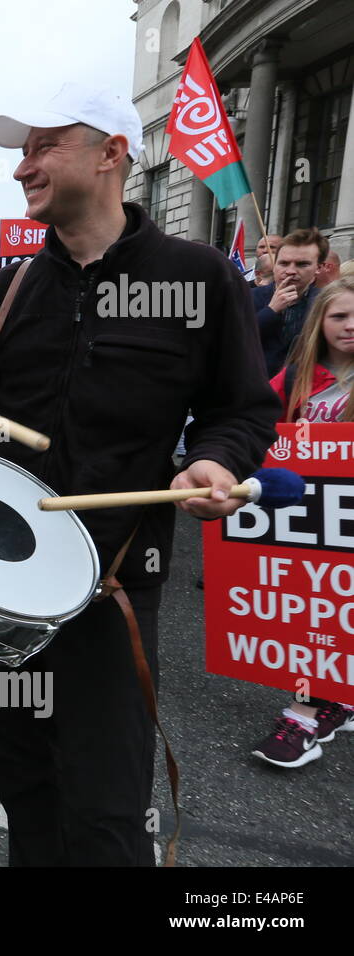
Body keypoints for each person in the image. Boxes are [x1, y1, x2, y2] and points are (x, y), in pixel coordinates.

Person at [0, 81, 278, 866]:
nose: (22, 169)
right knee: (22, 776)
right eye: (20, 153)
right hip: (1, 587)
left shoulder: (201, 277)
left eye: (43, 146)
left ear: (112, 153)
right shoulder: (11, 288)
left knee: (108, 811)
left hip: (111, 591)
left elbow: (244, 410)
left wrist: (214, 461)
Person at [249, 277, 354, 766]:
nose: (350, 326)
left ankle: (330, 700)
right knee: (315, 614)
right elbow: (251, 418)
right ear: (320, 323)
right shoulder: (295, 378)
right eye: (339, 316)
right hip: (308, 520)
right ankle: (303, 714)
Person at [254, 227, 328, 377]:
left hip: (304, 390)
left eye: (302, 264)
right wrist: (271, 311)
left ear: (318, 268)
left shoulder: (326, 302)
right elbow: (236, 341)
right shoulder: (248, 297)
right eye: (284, 263)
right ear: (275, 265)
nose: (290, 271)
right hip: (256, 389)